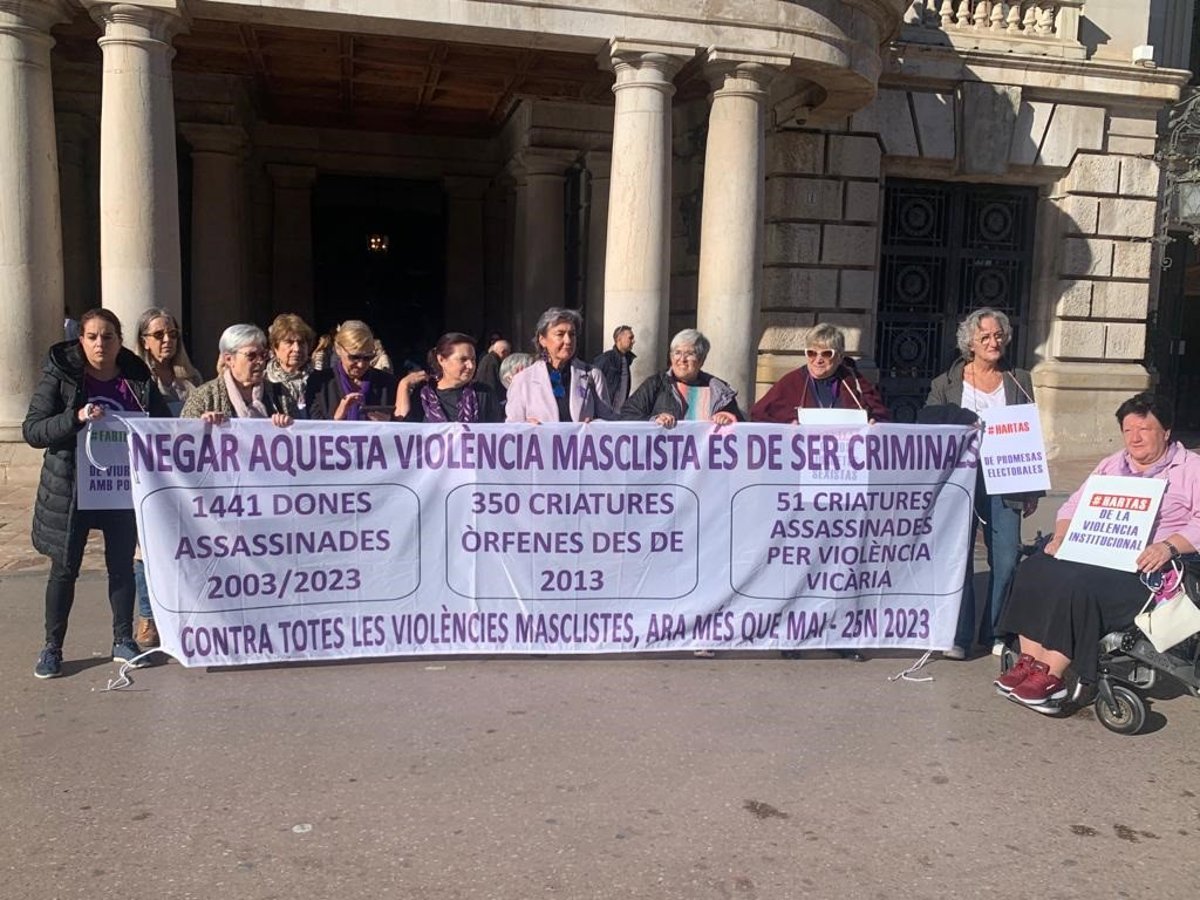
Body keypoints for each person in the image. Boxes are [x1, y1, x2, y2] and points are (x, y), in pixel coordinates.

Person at [995, 393, 1200, 711]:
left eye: (1144, 429)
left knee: (1079, 585)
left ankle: (1052, 675)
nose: (1134, 438)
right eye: (1128, 430)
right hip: (1097, 550)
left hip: (1146, 566)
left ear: (1166, 432)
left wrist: (1168, 545)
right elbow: (1073, 505)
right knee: (1034, 569)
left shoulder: (1190, 469)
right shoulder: (1112, 464)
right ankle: (1029, 661)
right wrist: (1061, 535)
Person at [23, 308, 171, 679]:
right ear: (81, 340)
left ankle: (123, 639)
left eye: (108, 337)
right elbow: (33, 430)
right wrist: (75, 417)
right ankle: (52, 647)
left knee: (121, 567)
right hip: (71, 489)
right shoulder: (62, 374)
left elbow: (162, 425)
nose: (100, 344)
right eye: (92, 337)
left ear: (120, 341)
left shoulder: (136, 377)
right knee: (64, 570)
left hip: (119, 487)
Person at [926, 307, 1040, 660]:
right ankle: (958, 635)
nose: (994, 342)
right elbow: (929, 427)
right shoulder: (945, 383)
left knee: (1006, 558)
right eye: (985, 337)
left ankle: (995, 631)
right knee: (958, 556)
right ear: (970, 343)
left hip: (1007, 478)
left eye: (998, 335)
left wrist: (1033, 487)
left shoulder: (1019, 379)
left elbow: (1030, 431)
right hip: (960, 480)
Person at [132, 307, 202, 648]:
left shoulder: (191, 379)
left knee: (183, 545)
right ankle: (147, 616)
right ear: (144, 340)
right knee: (145, 546)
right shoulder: (134, 379)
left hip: (186, 477)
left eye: (172, 334)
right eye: (159, 335)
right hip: (150, 475)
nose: (167, 340)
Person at [750, 323, 889, 424]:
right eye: (811, 353)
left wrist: (874, 423)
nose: (818, 360)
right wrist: (786, 427)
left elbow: (881, 417)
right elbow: (758, 415)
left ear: (840, 357)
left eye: (827, 354)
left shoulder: (854, 380)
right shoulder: (792, 382)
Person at [505, 308, 615, 423]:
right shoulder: (523, 380)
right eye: (560, 334)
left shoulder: (592, 375)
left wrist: (595, 424)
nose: (568, 341)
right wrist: (526, 427)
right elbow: (512, 428)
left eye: (572, 334)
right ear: (542, 340)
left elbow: (608, 420)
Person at [620, 329, 741, 426]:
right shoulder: (656, 384)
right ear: (671, 357)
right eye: (677, 353)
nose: (682, 359)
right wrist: (654, 420)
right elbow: (626, 415)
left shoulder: (719, 391)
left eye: (690, 354)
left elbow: (743, 432)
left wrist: (729, 418)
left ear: (701, 360)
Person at [181, 324, 300, 423]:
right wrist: (201, 425)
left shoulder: (281, 394)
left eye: (263, 355)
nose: (260, 361)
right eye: (251, 356)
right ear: (229, 359)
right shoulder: (204, 397)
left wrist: (288, 426)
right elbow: (183, 436)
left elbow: (301, 434)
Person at [395, 332, 502, 423]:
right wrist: (403, 385)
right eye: (463, 359)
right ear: (441, 360)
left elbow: (496, 431)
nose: (470, 366)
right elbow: (402, 428)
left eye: (473, 359)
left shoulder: (484, 393)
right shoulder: (423, 394)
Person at [305, 320, 398, 421]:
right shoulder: (320, 383)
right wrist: (336, 419)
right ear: (338, 349)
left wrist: (389, 423)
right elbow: (312, 425)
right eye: (354, 357)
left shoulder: (387, 382)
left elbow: (403, 423)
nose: (361, 364)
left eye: (367, 357)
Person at [265, 313, 317, 416]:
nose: (296, 349)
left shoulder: (322, 381)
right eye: (289, 342)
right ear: (275, 348)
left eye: (301, 343)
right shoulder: (264, 382)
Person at [593, 325, 636, 409]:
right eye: (630, 338)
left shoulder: (627, 360)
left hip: (618, 412)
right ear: (619, 339)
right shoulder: (605, 359)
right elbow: (592, 382)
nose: (633, 341)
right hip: (604, 411)